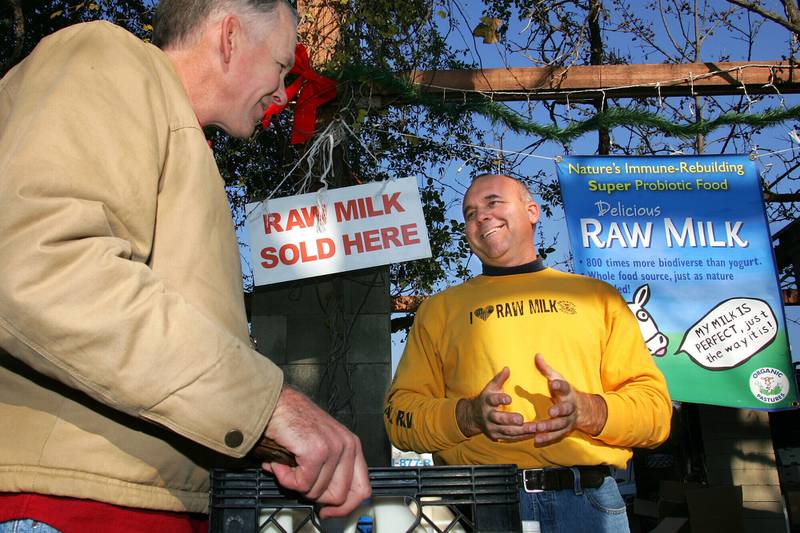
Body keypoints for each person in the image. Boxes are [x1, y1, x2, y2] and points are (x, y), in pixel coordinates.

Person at [0, 1, 370, 531]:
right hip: (65, 506)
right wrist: (269, 405)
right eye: (282, 67)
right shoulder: (106, 55)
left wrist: (254, 431)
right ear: (230, 36)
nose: (284, 92)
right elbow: (41, 266)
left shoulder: (179, 138)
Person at [384, 173, 672, 532]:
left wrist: (588, 410)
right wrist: (467, 415)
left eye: (492, 203)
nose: (481, 217)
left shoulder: (599, 299)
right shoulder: (439, 310)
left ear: (532, 211)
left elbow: (656, 415)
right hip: (478, 506)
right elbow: (399, 418)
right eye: (470, 214)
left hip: (590, 506)